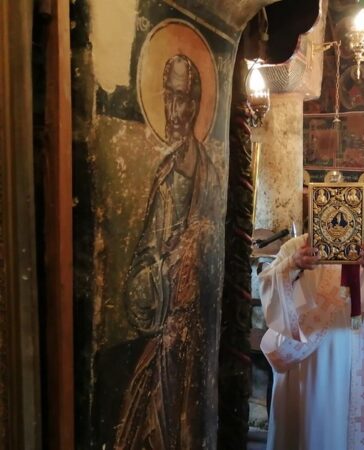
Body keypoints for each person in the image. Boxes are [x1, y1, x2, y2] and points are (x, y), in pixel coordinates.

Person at [114, 54, 221, 449]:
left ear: (196, 104)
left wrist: (196, 252)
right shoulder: (162, 174)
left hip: (197, 338)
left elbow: (213, 262)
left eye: (184, 99)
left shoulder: (211, 176)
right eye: (169, 97)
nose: (175, 111)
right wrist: (165, 272)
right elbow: (142, 266)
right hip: (164, 333)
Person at [259, 234, 364, 450]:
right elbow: (268, 286)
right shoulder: (296, 246)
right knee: (310, 423)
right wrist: (292, 265)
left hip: (356, 353)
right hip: (308, 359)